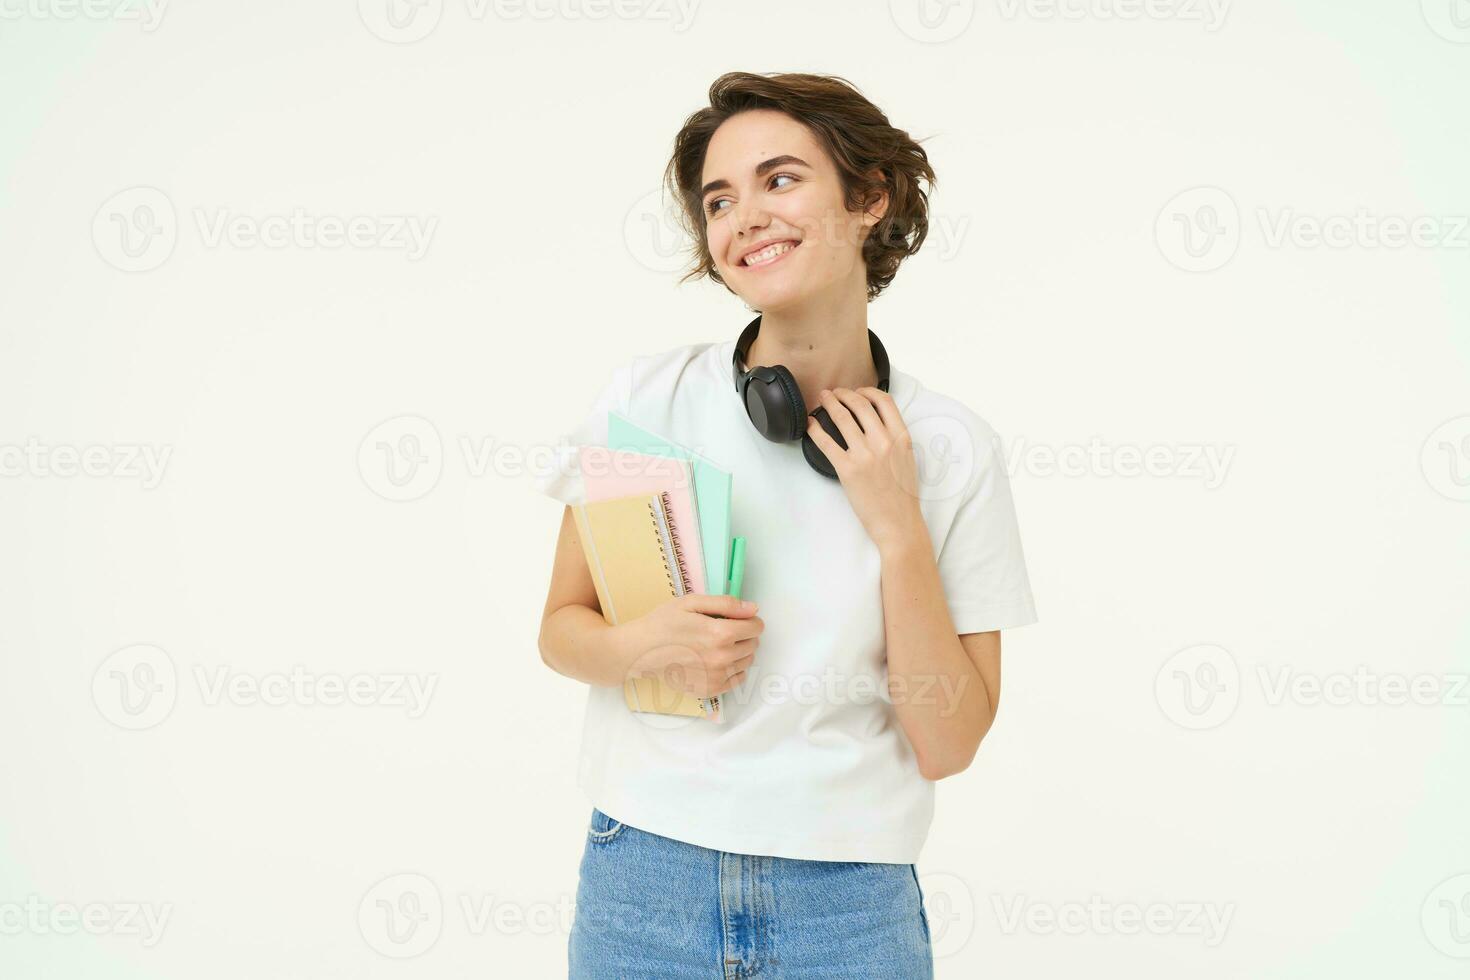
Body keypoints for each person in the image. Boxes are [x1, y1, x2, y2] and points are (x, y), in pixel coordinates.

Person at [535, 71, 1038, 979]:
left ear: (868, 200)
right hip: (643, 880)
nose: (743, 217)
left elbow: (950, 741)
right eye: (719, 199)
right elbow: (561, 631)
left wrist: (898, 529)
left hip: (847, 905)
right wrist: (647, 644)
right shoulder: (650, 400)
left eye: (780, 179)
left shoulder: (954, 447)